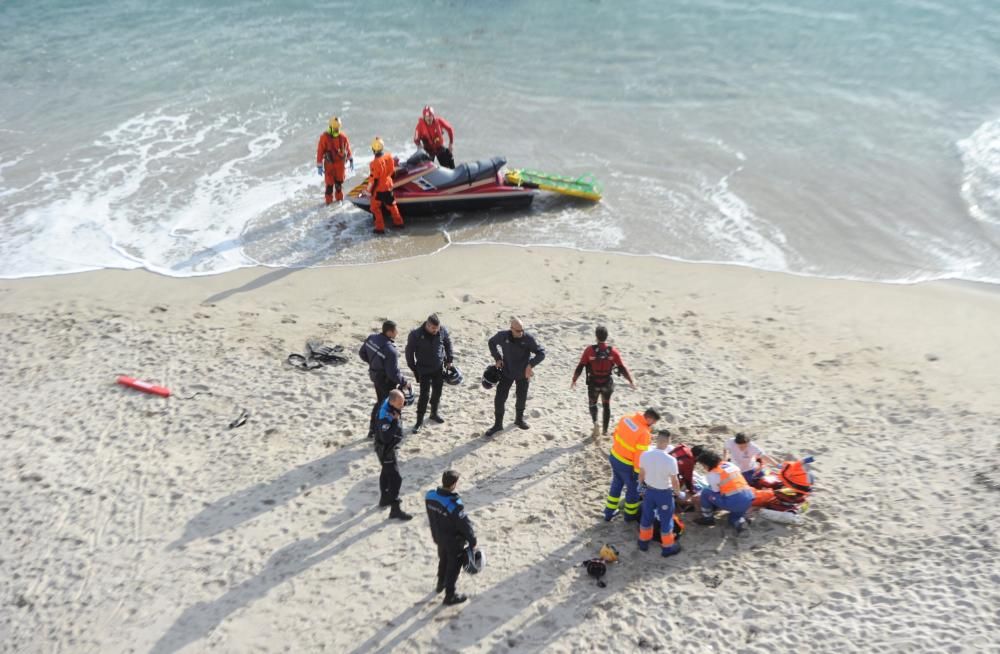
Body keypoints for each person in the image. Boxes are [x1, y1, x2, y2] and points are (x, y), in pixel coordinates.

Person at [484, 317, 546, 436]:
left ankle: (519, 420)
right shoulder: (503, 336)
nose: (521, 333)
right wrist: (497, 358)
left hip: (523, 374)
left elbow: (541, 353)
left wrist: (530, 365)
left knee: (521, 397)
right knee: (499, 399)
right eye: (518, 331)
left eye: (522, 330)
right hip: (506, 372)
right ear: (511, 329)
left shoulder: (528, 338)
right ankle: (498, 425)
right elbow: (491, 342)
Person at [571, 325, 635, 439]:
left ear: (596, 336)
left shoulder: (589, 350)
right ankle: (605, 430)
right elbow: (622, 367)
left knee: (592, 403)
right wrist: (630, 380)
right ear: (606, 337)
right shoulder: (613, 352)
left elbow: (580, 366)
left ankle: (595, 422)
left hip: (593, 383)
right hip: (606, 383)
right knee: (606, 405)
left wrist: (574, 380)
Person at [426, 469, 477, 606]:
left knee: (443, 559)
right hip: (453, 541)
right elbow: (464, 525)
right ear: (453, 484)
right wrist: (472, 541)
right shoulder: (454, 504)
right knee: (453, 567)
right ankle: (450, 595)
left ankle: (440, 583)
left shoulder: (430, 496)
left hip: (438, 537)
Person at [603, 408, 660, 522]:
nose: (653, 425)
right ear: (649, 418)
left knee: (616, 484)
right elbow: (640, 455)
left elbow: (616, 435)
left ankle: (609, 512)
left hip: (614, 457)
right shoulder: (644, 433)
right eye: (653, 422)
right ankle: (629, 516)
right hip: (627, 465)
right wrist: (638, 472)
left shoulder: (626, 418)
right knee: (633, 491)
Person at [359, 320, 409, 439]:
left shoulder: (371, 338)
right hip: (386, 381)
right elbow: (393, 373)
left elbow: (362, 353)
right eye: (395, 331)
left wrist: (374, 364)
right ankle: (393, 431)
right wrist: (404, 382)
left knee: (380, 402)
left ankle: (372, 429)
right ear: (389, 332)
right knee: (392, 405)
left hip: (375, 377)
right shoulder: (391, 350)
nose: (397, 333)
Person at [405, 313, 454, 432]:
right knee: (424, 396)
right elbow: (409, 353)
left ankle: (434, 413)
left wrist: (449, 359)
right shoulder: (415, 334)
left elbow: (448, 343)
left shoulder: (442, 331)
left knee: (437, 392)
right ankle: (419, 421)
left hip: (438, 367)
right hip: (423, 369)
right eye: (433, 328)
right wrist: (414, 368)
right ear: (427, 325)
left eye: (437, 328)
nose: (436, 331)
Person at [638, 430, 682, 556]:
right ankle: (667, 547)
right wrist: (678, 493)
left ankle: (643, 542)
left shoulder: (645, 455)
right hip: (664, 494)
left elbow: (641, 475)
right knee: (666, 520)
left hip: (649, 491)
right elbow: (675, 481)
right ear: (668, 442)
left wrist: (640, 489)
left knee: (646, 516)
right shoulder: (670, 460)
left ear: (657, 440)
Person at [374, 389, 412, 520]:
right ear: (392, 402)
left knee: (385, 473)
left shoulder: (390, 401)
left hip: (388, 447)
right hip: (386, 450)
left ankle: (384, 499)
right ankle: (395, 509)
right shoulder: (385, 416)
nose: (402, 406)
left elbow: (398, 399)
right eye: (400, 404)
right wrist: (395, 421)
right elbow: (386, 437)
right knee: (396, 479)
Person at [695, 450, 754, 533]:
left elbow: (715, 491)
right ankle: (740, 520)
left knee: (705, 492)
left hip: (735, 502)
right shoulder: (730, 465)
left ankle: (707, 518)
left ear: (707, 464)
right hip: (749, 498)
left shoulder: (712, 474)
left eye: (703, 465)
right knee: (732, 519)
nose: (703, 467)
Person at [367, 137, 404, 234]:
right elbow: (392, 171)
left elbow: (373, 179)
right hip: (388, 185)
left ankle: (380, 228)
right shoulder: (389, 157)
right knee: (392, 204)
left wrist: (368, 191)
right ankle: (399, 223)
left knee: (374, 207)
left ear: (373, 149)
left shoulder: (374, 163)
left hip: (379, 188)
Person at [315, 116, 353, 204]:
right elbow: (320, 151)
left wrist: (350, 159)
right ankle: (328, 204)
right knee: (329, 186)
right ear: (331, 126)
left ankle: (339, 203)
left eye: (338, 128)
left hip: (340, 166)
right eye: (335, 128)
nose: (337, 129)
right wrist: (319, 165)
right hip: (330, 166)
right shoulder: (324, 137)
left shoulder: (343, 137)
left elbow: (347, 148)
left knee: (339, 186)